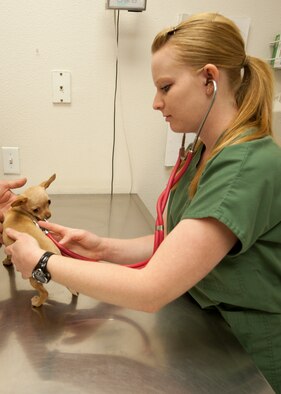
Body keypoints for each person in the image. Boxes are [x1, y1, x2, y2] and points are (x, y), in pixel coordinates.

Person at [1, 12, 281, 392]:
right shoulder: (205, 152)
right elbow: (179, 245)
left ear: (209, 80)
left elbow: (152, 289)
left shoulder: (246, 166)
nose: (155, 102)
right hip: (205, 332)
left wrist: (42, 262)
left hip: (246, 356)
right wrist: (103, 247)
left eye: (165, 87)